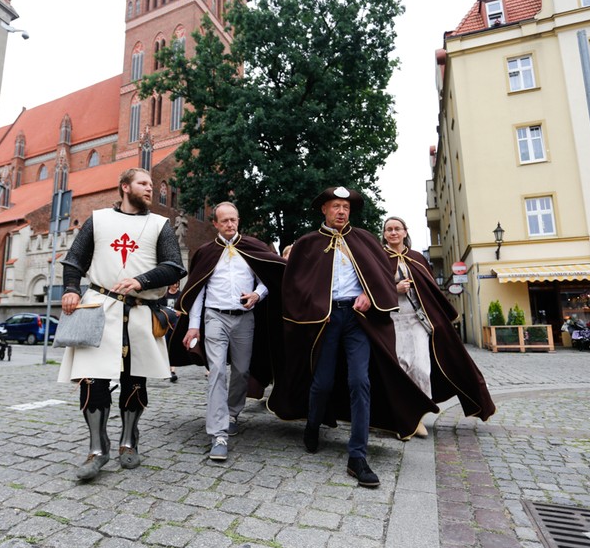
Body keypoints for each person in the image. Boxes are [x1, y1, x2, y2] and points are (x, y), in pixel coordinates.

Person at [268, 187, 437, 488]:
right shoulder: (308, 244)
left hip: (357, 320)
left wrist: (368, 295)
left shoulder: (365, 241)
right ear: (324, 210)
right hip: (326, 321)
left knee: (361, 381)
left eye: (345, 206)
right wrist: (320, 307)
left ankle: (357, 456)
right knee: (322, 383)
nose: (341, 212)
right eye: (335, 206)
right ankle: (312, 424)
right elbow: (294, 287)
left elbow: (382, 277)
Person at [58, 168, 185, 482]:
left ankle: (129, 440)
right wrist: (71, 289)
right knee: (92, 381)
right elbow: (75, 260)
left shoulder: (160, 225)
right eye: (143, 183)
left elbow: (173, 267)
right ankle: (96, 448)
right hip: (99, 307)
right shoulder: (98, 219)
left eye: (151, 184)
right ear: (124, 187)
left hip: (140, 311)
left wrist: (141, 281)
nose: (150, 188)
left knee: (134, 381)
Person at [170, 202, 286, 461]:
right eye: (224, 221)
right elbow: (198, 290)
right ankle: (218, 433)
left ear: (238, 220)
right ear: (216, 224)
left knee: (242, 371)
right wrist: (193, 326)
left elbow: (268, 280)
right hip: (214, 317)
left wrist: (257, 294)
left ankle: (232, 411)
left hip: (245, 319)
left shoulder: (253, 248)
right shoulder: (207, 252)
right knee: (217, 372)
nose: (230, 225)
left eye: (233, 220)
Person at [382, 216, 495, 438]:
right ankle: (403, 419)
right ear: (384, 234)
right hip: (392, 321)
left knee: (421, 368)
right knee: (399, 369)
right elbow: (372, 288)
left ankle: (418, 415)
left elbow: (431, 290)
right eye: (388, 230)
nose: (393, 233)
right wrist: (394, 289)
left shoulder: (416, 258)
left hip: (417, 321)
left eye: (397, 229)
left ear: (405, 232)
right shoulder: (378, 259)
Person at [162, 282, 181, 382]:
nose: (175, 285)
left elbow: (185, 307)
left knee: (172, 344)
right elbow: (160, 306)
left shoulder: (180, 294)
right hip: (166, 322)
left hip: (176, 323)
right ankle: (165, 369)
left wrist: (180, 312)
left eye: (177, 283)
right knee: (165, 344)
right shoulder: (165, 295)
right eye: (173, 283)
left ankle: (172, 370)